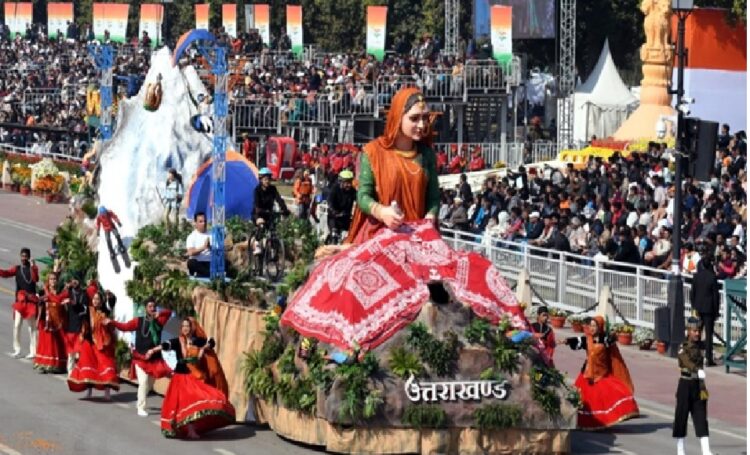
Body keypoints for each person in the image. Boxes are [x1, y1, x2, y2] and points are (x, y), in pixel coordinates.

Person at [344, 87, 439, 244]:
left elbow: (433, 198)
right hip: (379, 236)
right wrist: (382, 211)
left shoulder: (427, 155)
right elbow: (363, 196)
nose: (422, 125)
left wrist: (430, 218)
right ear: (398, 117)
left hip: (417, 238)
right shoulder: (373, 152)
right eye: (414, 118)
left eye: (425, 118)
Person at [149, 318, 235, 439]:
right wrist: (152, 350)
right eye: (183, 326)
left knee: (203, 398)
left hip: (192, 377)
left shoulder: (196, 341)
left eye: (187, 326)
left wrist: (204, 349)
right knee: (182, 404)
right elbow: (165, 345)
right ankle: (188, 430)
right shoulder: (178, 341)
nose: (185, 328)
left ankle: (191, 429)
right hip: (179, 377)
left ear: (191, 328)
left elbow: (211, 342)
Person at [561, 315, 639, 429]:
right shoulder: (586, 339)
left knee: (606, 398)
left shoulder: (604, 339)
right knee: (581, 400)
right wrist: (566, 341)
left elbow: (611, 341)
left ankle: (603, 421)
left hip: (602, 374)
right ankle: (582, 423)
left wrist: (613, 336)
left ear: (600, 327)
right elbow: (577, 341)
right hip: (587, 375)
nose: (592, 328)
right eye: (591, 325)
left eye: (595, 326)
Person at [108, 297, 172, 416]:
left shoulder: (160, 320)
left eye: (154, 307)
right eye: (149, 307)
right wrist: (112, 322)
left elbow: (169, 313)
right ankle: (141, 407)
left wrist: (160, 313)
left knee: (150, 384)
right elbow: (125, 327)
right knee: (143, 382)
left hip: (154, 358)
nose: (152, 309)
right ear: (145, 308)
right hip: (140, 358)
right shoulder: (139, 321)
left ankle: (141, 398)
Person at [67, 289, 119, 399]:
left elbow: (112, 302)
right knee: (89, 366)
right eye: (94, 299)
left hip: (103, 344)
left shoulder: (105, 310)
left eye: (98, 299)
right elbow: (79, 308)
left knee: (105, 365)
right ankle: (89, 391)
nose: (95, 301)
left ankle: (107, 391)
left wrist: (111, 296)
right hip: (89, 342)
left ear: (101, 301)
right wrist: (74, 303)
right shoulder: (88, 309)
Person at [673, 317, 713, 455]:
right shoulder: (682, 347)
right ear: (688, 331)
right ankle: (680, 449)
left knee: (701, 417)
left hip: (699, 386)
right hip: (685, 384)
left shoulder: (701, 346)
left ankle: (706, 450)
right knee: (681, 417)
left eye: (699, 331)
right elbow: (686, 361)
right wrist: (697, 370)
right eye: (695, 331)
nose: (697, 333)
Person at [0, 247, 39, 358]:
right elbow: (6, 273)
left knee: (32, 327)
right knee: (17, 325)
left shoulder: (33, 269)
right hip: (19, 302)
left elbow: (36, 279)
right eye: (22, 256)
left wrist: (33, 266)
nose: (23, 258)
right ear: (20, 256)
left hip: (30, 301)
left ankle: (33, 351)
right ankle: (17, 349)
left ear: (29, 257)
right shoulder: (17, 269)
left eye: (26, 256)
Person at [35, 272, 69, 373]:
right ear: (48, 281)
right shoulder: (43, 292)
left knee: (58, 343)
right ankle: (44, 365)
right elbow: (40, 306)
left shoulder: (60, 292)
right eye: (51, 279)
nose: (53, 281)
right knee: (47, 343)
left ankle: (57, 365)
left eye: (54, 279)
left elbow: (64, 306)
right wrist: (37, 320)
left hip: (59, 321)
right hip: (47, 321)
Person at [690, 253, 721, 366]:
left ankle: (694, 355)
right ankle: (708, 358)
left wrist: (694, 306)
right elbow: (715, 296)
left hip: (698, 308)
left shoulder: (696, 276)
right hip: (709, 309)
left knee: (696, 333)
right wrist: (717, 311)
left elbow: (692, 293)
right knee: (708, 334)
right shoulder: (712, 277)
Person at [251, 168, 289, 256]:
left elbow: (279, 199)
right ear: (261, 180)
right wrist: (259, 212)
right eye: (265, 179)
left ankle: (272, 248)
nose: (267, 181)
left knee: (273, 229)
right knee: (262, 225)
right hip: (258, 213)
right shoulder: (257, 190)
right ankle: (257, 244)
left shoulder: (273, 189)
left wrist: (284, 209)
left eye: (268, 179)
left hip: (269, 213)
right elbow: (256, 205)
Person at [62, 279, 89, 375]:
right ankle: (70, 372)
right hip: (69, 326)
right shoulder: (67, 292)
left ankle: (78, 372)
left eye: (76, 281)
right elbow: (59, 302)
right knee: (70, 353)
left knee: (79, 351)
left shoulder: (84, 294)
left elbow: (85, 310)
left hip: (80, 326)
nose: (74, 282)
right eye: (72, 281)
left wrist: (74, 303)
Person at [326, 169, 357, 243]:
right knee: (334, 236)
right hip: (334, 218)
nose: (349, 185)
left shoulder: (352, 191)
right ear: (341, 182)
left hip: (346, 218)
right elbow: (329, 201)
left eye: (350, 182)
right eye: (347, 182)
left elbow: (359, 199)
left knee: (351, 237)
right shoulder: (335, 189)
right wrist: (334, 211)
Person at [185, 212, 211, 278]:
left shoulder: (211, 234)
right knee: (191, 263)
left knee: (226, 262)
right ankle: (209, 274)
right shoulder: (191, 236)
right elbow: (191, 252)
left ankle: (205, 274)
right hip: (199, 262)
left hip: (210, 262)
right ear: (195, 223)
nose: (204, 223)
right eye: (201, 221)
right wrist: (204, 247)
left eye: (205, 221)